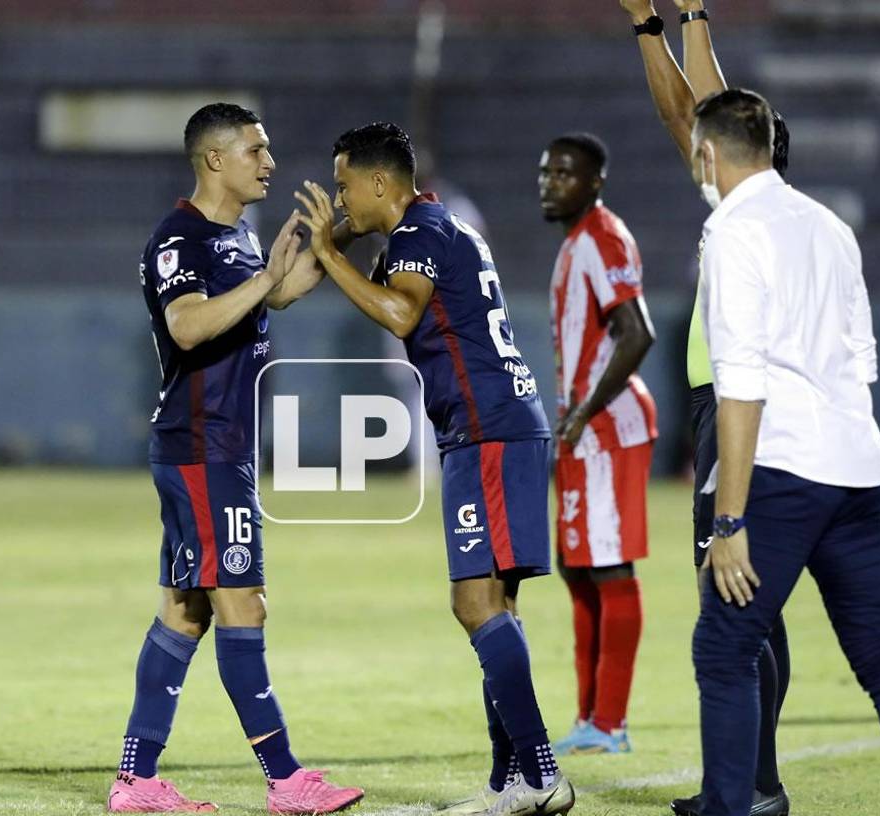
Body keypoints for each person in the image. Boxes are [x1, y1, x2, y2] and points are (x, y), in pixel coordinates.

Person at [689, 87, 880, 816]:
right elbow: (861, 362)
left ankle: (728, 808)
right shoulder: (832, 226)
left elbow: (740, 385)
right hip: (858, 468)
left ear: (706, 153)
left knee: (723, 649)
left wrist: (729, 521)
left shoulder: (731, 233)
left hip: (783, 473)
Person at [293, 122, 575, 816]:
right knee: (497, 609)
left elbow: (398, 311)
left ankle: (540, 772)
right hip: (499, 425)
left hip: (485, 432)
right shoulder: (438, 226)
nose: (338, 196)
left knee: (473, 604)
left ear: (380, 182)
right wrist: (348, 237)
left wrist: (330, 253)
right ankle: (512, 781)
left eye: (344, 183)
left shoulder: (417, 233)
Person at [109, 102, 363, 815]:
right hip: (202, 446)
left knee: (186, 612)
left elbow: (276, 294)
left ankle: (136, 781)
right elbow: (188, 325)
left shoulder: (237, 235)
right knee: (243, 602)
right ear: (215, 159)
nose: (270, 163)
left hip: (220, 447)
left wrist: (338, 231)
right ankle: (286, 781)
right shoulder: (180, 239)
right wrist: (260, 282)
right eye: (257, 150)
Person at [617, 2, 791, 811]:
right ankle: (759, 782)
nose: (698, 153)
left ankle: (749, 788)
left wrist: (662, 22)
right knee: (749, 597)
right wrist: (678, 19)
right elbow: (698, 116)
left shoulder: (751, 210)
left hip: (735, 401)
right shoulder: (767, 210)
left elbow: (688, 114)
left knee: (730, 589)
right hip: (731, 399)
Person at [538, 132, 657, 756]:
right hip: (581, 429)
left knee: (610, 568)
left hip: (607, 429)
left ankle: (611, 723)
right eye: (546, 172)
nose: (550, 182)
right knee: (578, 569)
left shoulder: (603, 237)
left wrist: (584, 412)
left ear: (595, 182)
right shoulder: (574, 243)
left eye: (565, 173)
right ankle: (591, 720)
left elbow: (637, 333)